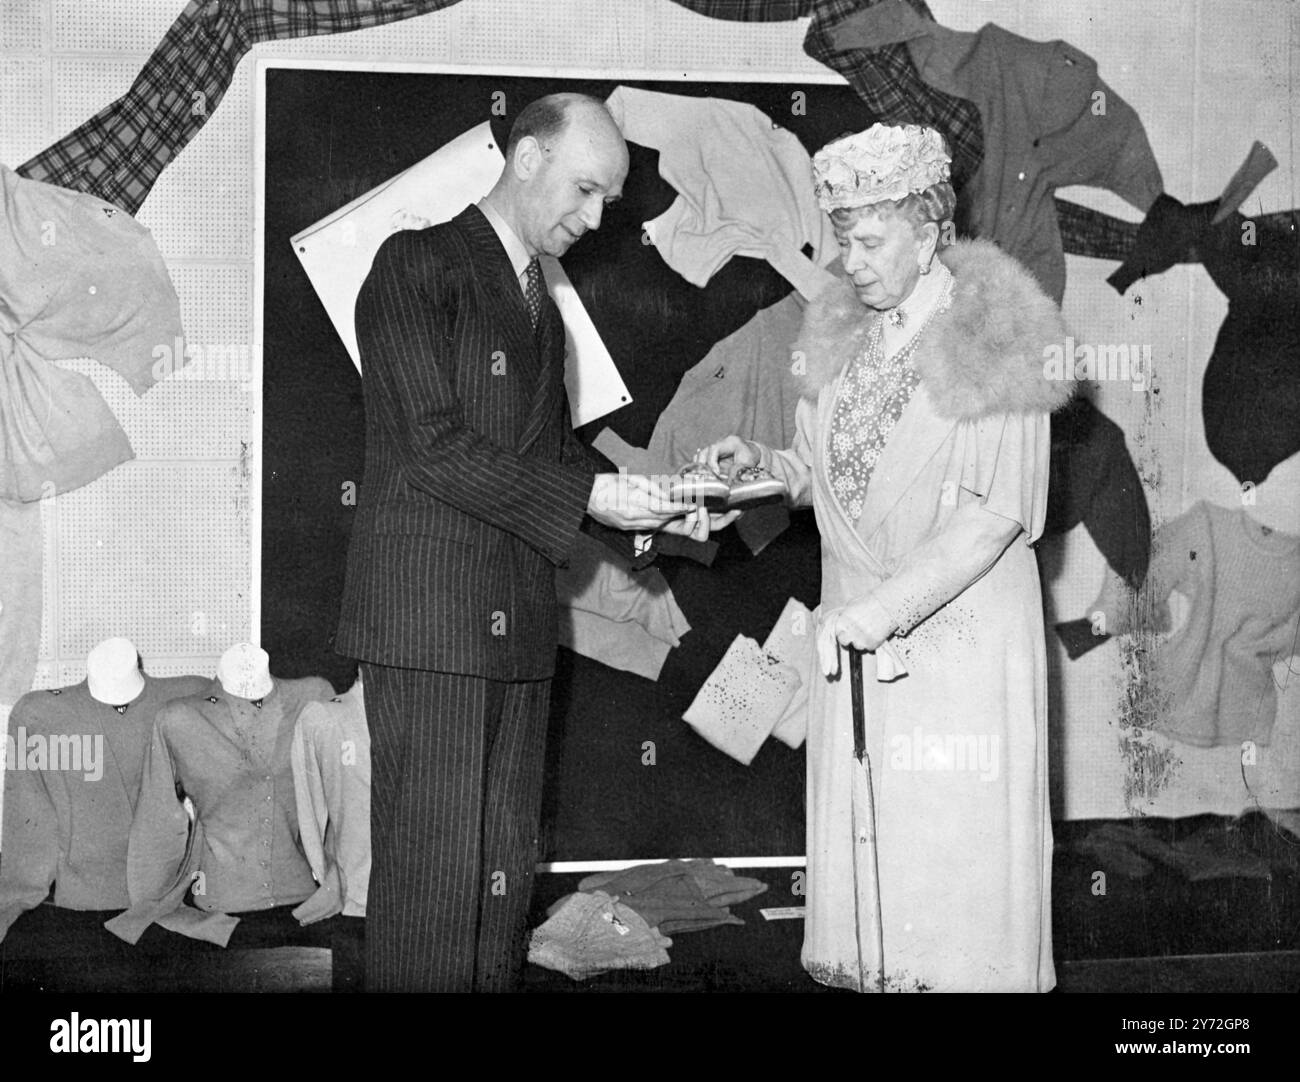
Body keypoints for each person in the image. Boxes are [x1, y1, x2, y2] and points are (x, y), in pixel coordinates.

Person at [335, 93, 705, 992]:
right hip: (428, 626)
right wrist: (593, 491)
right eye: (584, 190)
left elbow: (540, 457)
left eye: (606, 205)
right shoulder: (415, 263)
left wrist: (654, 505)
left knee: (501, 883)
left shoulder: (540, 303)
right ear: (527, 157)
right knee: (433, 886)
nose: (592, 218)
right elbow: (431, 447)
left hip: (517, 624)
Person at [698, 123, 1072, 992]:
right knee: (875, 911)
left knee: (954, 902)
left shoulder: (999, 329)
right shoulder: (844, 332)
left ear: (930, 227)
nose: (850, 262)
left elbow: (992, 519)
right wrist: (766, 470)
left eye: (869, 241)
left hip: (956, 646)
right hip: (857, 637)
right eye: (842, 240)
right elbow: (829, 473)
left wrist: (877, 614)